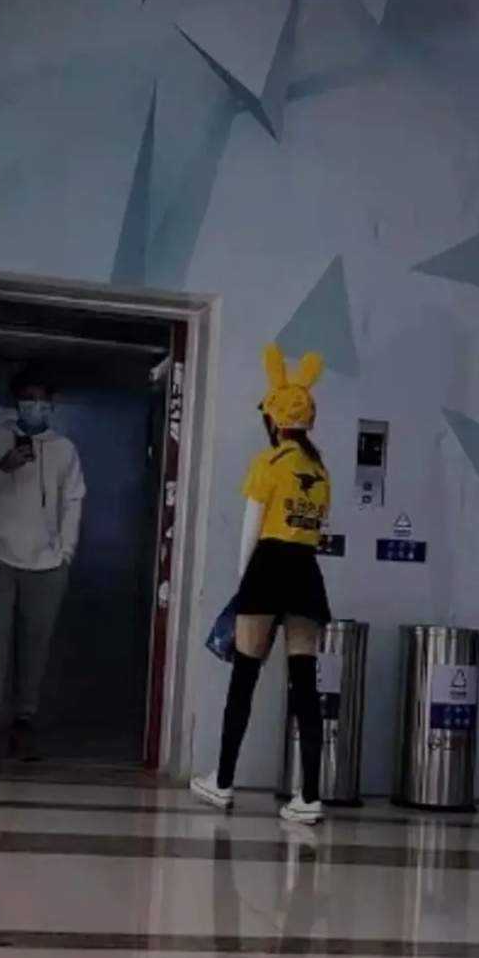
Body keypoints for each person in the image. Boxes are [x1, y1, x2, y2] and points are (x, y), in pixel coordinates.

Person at [191, 343, 331, 825]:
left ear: (274, 419)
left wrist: (243, 583)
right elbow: (318, 529)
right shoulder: (319, 470)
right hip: (306, 572)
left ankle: (223, 781)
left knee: (244, 679)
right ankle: (309, 796)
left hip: (267, 567)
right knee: (305, 687)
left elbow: (250, 530)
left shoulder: (269, 463)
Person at [0, 367, 86, 765]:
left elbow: (73, 502)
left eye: (44, 401)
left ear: (52, 406)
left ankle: (24, 726)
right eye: (30, 399)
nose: (37, 407)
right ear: (17, 402)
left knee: (36, 645)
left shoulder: (64, 449)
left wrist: (66, 552)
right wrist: (3, 467)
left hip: (47, 563)